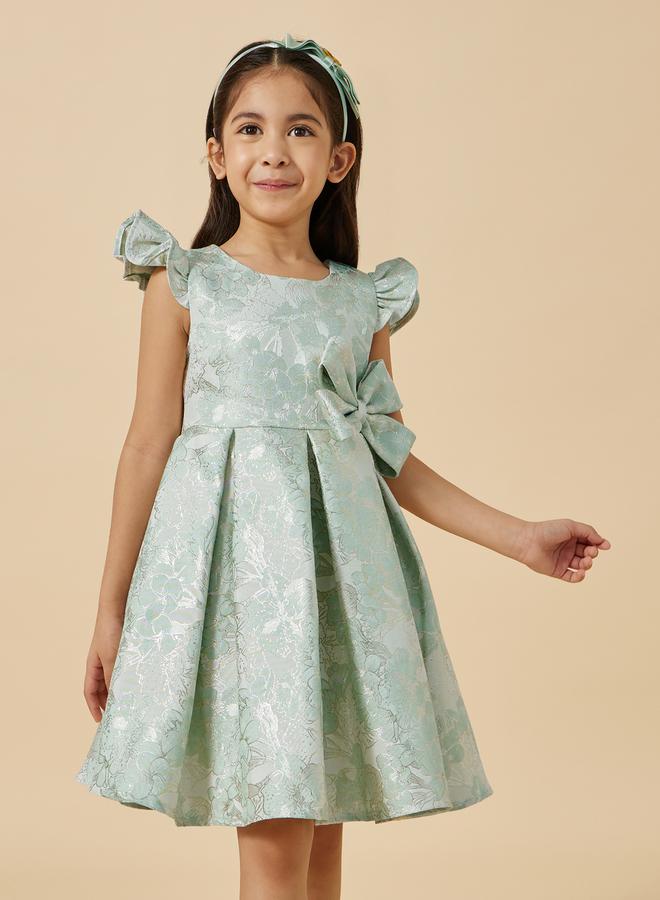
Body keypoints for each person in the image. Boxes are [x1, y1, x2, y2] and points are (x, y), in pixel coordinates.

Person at [74, 32, 611, 900]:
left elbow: (390, 456)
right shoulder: (188, 284)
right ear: (216, 155)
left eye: (301, 130)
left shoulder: (363, 303)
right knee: (277, 848)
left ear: (338, 159)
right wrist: (111, 609)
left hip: (337, 604)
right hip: (240, 602)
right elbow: (146, 444)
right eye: (249, 129)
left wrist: (520, 539)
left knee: (318, 855)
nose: (273, 151)